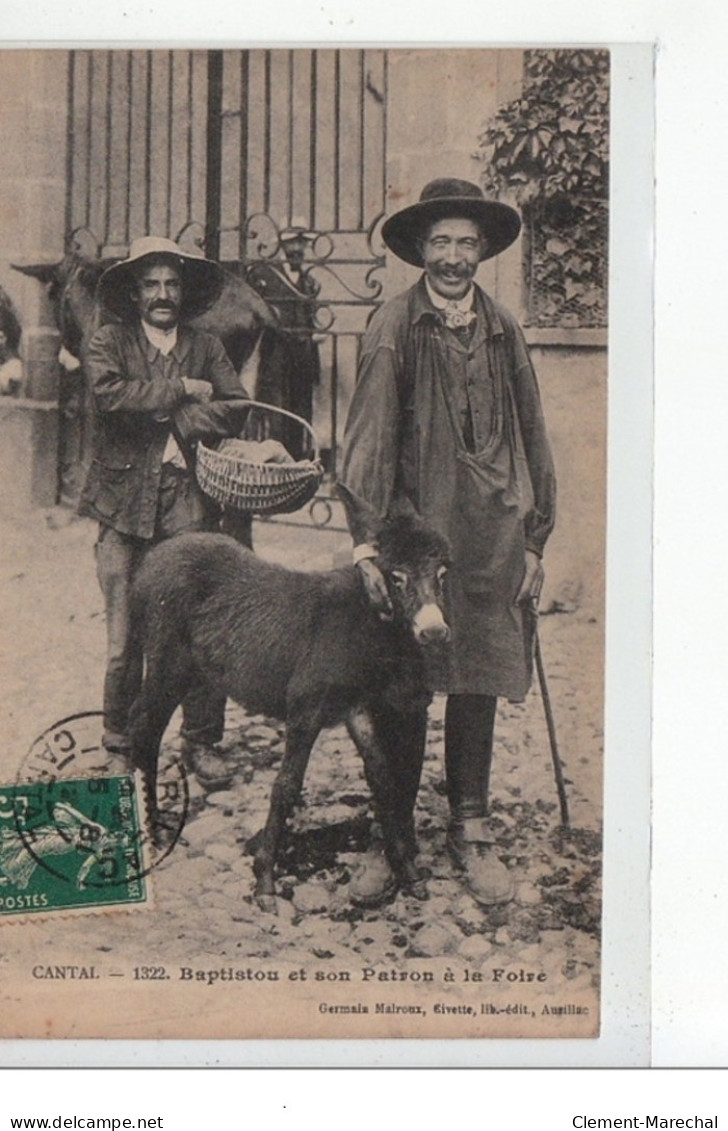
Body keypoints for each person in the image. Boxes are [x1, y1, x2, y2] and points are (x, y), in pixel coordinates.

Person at [340, 178, 556, 907]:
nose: (455, 257)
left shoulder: (503, 329)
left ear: (484, 250)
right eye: (442, 242)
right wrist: (370, 543)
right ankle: (390, 836)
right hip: (417, 543)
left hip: (494, 539)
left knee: (478, 677)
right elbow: (367, 442)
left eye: (467, 242)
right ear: (421, 251)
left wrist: (536, 538)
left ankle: (471, 828)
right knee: (404, 684)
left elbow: (533, 435)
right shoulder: (394, 326)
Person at [79, 236, 252, 789]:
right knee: (125, 638)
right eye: (150, 284)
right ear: (134, 293)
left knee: (198, 630)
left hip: (187, 504)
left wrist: (183, 418)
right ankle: (120, 744)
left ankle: (201, 741)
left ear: (185, 292)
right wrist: (179, 388)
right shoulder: (108, 340)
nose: (162, 294)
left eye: (172, 284)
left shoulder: (206, 345)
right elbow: (110, 397)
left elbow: (236, 408)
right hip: (121, 506)